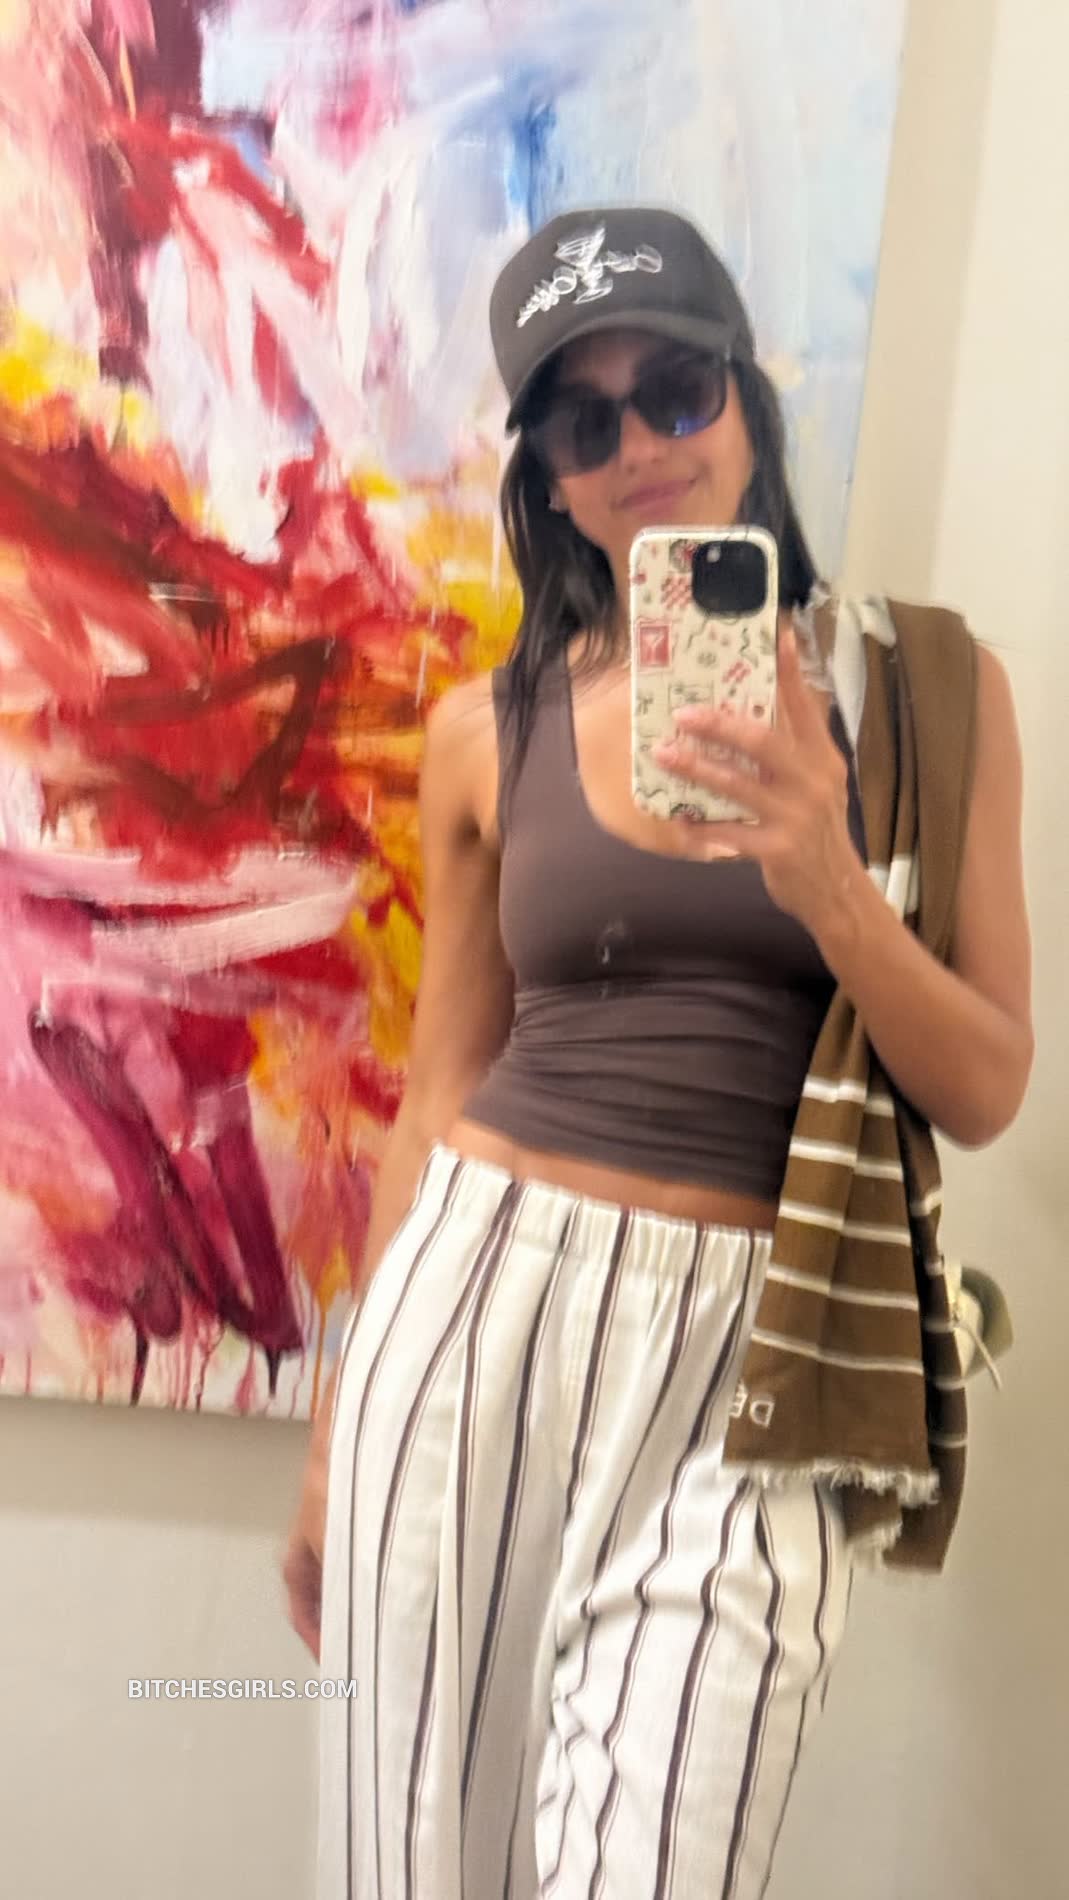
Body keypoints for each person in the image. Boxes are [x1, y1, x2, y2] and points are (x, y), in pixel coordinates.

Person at [285, 207, 1033, 1899]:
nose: (639, 446)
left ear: (747, 406)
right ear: (549, 481)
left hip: (760, 1359)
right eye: (582, 420)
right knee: (412, 1867)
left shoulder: (933, 693)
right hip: (472, 1314)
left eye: (677, 389)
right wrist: (334, 1429)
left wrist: (830, 889)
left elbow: (986, 1085)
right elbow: (437, 1091)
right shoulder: (488, 731)